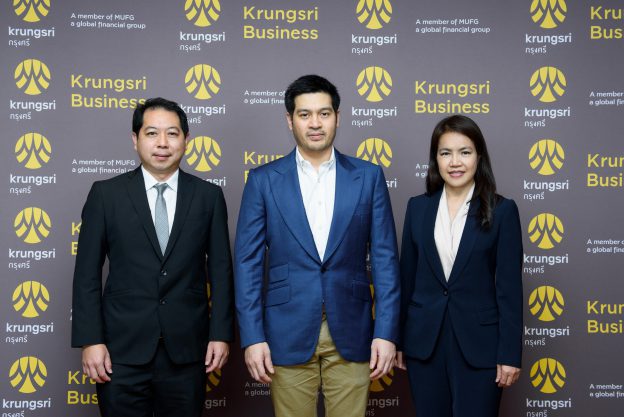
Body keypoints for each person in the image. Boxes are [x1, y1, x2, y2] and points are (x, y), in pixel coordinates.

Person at [234, 74, 400, 417]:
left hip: (353, 329)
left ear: (337, 117)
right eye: (304, 114)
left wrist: (385, 333)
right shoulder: (263, 180)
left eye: (324, 113)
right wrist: (252, 337)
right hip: (286, 330)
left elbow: (385, 260)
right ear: (290, 120)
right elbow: (247, 265)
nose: (315, 123)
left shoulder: (368, 176)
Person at [71, 97, 234, 417]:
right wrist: (91, 340)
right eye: (151, 133)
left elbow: (221, 271)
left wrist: (220, 334)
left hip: (187, 351)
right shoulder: (106, 195)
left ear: (186, 140)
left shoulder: (208, 196)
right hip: (119, 353)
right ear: (135, 139)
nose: (162, 143)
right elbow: (86, 274)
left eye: (172, 133)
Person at [396, 114, 523, 417]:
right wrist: (398, 339)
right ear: (436, 159)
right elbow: (407, 279)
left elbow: (509, 290)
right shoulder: (418, 208)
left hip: (480, 346)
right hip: (424, 343)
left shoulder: (502, 211)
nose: (455, 162)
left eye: (464, 152)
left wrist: (510, 354)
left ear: (479, 157)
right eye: (445, 153)